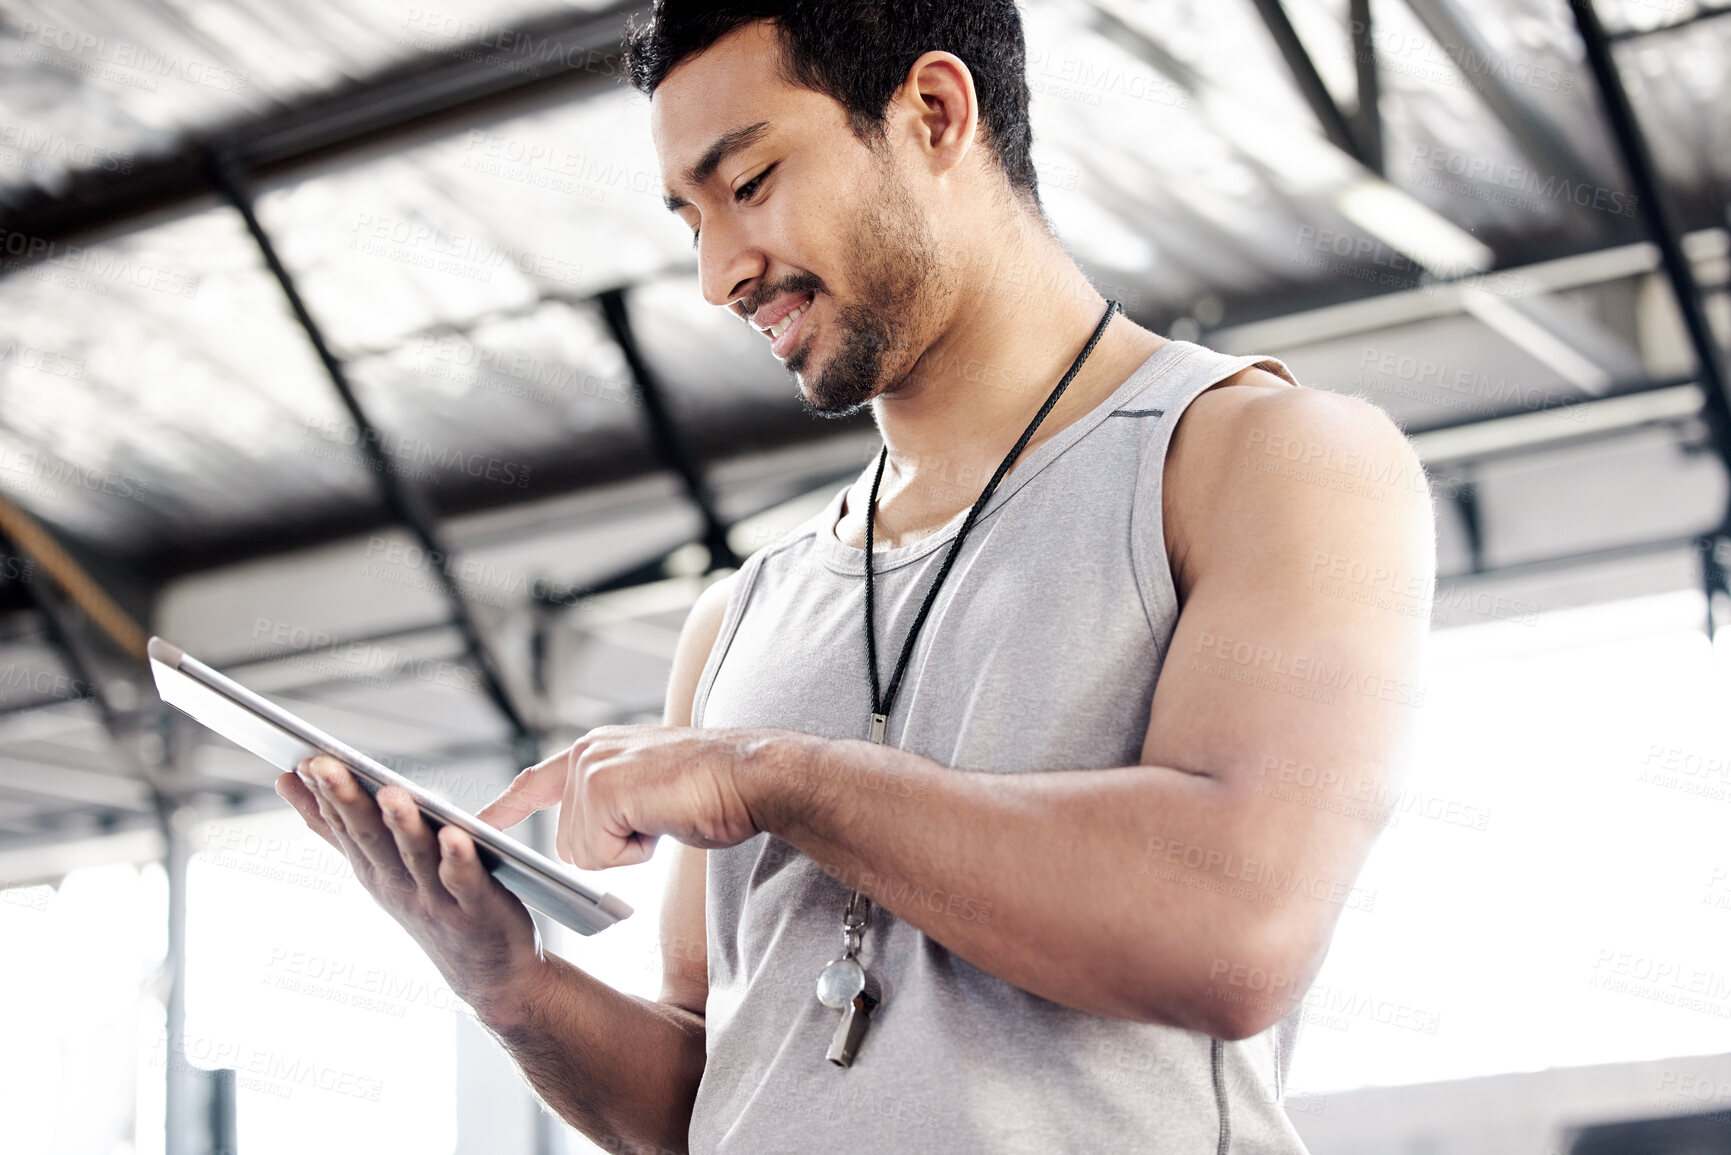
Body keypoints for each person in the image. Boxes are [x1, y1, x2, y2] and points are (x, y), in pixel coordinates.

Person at [278, 2, 1436, 1151]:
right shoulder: (740, 616)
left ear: (935, 113)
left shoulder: (1266, 459)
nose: (719, 275)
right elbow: (713, 1093)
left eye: (751, 183)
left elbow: (1238, 928)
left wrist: (770, 777)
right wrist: (512, 986)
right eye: (690, 220)